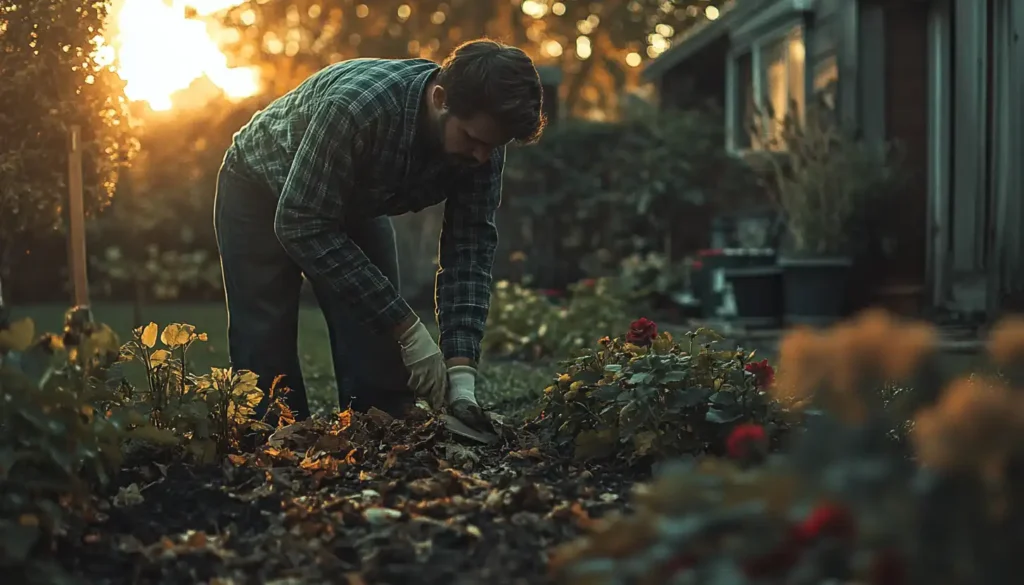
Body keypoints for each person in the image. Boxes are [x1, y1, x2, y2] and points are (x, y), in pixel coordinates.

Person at [213, 38, 546, 431]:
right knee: (265, 338)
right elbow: (301, 222)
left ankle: (380, 438)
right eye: (473, 140)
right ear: (441, 99)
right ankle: (269, 442)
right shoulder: (356, 109)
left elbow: (469, 249)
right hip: (260, 185)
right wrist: (407, 326)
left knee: (377, 337)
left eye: (492, 146)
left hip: (354, 199)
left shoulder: (483, 138)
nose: (481, 157)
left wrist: (462, 375)